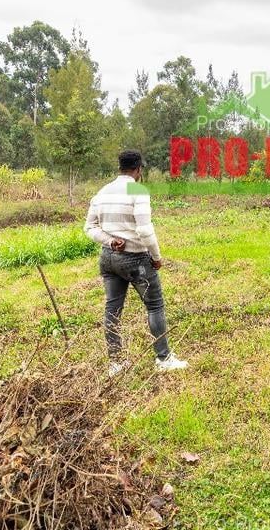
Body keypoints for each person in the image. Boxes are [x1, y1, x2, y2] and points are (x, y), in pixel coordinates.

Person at [84, 150, 188, 375]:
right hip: (136, 260)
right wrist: (156, 257)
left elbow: (89, 228)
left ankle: (116, 363)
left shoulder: (102, 192)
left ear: (120, 167)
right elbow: (144, 229)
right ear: (139, 169)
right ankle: (163, 358)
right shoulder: (138, 191)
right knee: (155, 305)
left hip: (108, 258)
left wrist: (110, 241)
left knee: (113, 308)